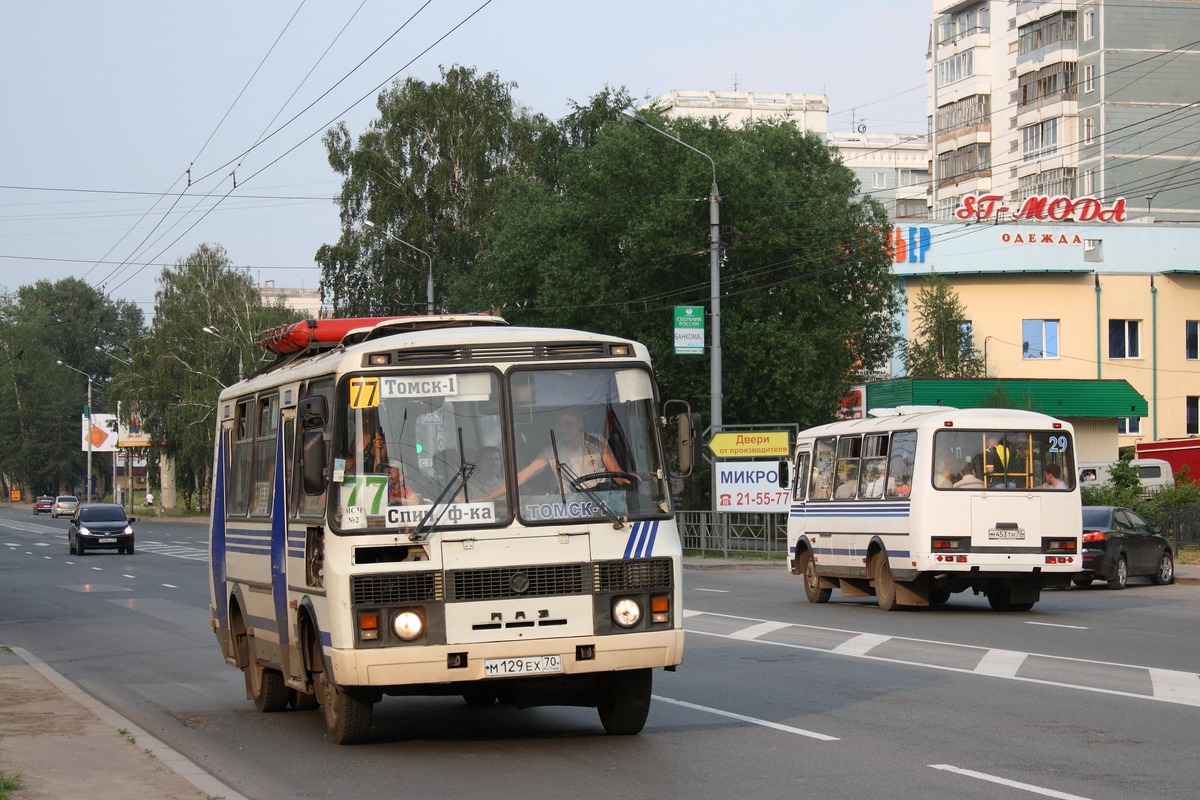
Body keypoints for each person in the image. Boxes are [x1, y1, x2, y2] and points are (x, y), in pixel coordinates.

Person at [498, 407, 627, 498]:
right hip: (571, 508)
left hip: (604, 504)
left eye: (568, 424)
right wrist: (487, 497)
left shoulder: (598, 441)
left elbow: (616, 472)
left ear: (580, 423)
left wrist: (627, 478)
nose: (563, 429)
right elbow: (522, 476)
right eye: (560, 425)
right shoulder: (552, 452)